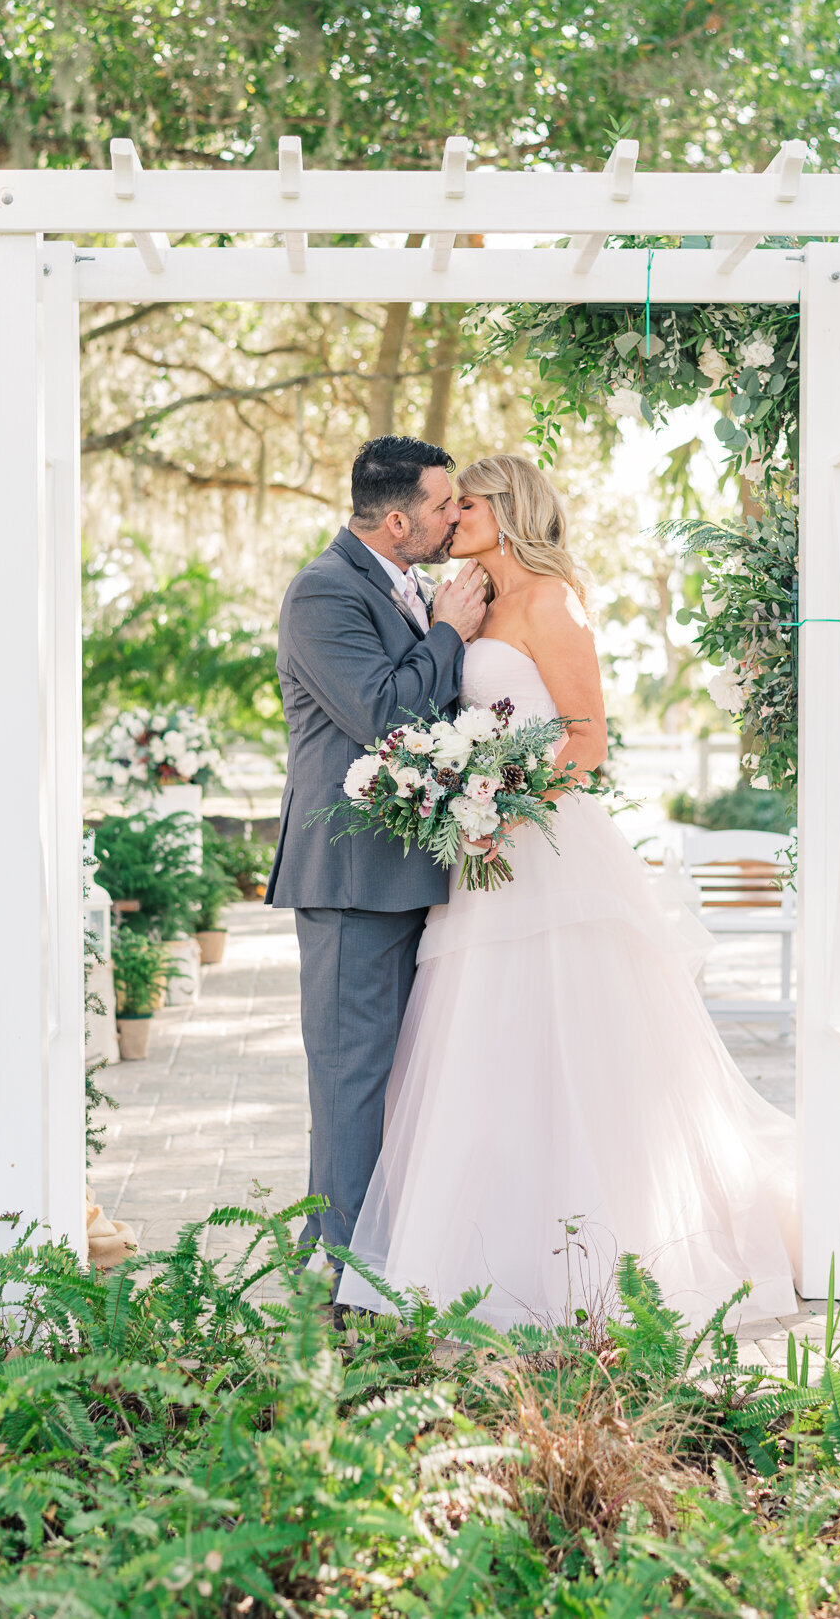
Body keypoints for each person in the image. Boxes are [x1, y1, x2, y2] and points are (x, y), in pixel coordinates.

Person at [336, 453, 798, 1330]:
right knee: (485, 1051)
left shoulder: (552, 598)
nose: (451, 518)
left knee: (575, 1050)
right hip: (480, 863)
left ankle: (602, 1261)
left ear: (505, 511)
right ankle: (488, 1259)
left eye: (464, 504)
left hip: (544, 851)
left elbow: (587, 742)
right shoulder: (466, 607)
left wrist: (502, 808)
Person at [266, 435, 487, 1286]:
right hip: (352, 876)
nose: (453, 515)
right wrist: (447, 633)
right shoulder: (322, 594)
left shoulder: (408, 584)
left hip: (403, 874)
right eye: (441, 505)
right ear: (396, 520)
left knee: (388, 1082)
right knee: (353, 1081)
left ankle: (359, 1261)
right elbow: (386, 713)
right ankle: (342, 1274)